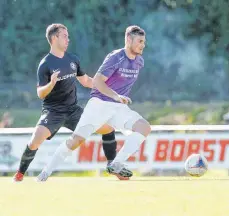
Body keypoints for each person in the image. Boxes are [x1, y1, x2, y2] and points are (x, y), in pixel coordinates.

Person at [37, 25, 151, 181]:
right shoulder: (116, 57)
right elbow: (97, 81)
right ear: (129, 39)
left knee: (144, 127)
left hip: (118, 107)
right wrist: (116, 96)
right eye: (139, 41)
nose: (142, 45)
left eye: (144, 42)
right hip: (99, 104)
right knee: (76, 141)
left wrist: (119, 99)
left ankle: (117, 164)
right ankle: (45, 173)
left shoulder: (139, 61)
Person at [13, 23, 124, 181]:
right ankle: (19, 174)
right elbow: (40, 93)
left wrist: (109, 91)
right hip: (53, 112)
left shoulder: (73, 59)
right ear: (54, 38)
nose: (68, 39)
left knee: (108, 129)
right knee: (34, 142)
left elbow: (85, 81)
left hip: (73, 111)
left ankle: (112, 166)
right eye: (64, 36)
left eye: (68, 36)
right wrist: (51, 84)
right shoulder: (45, 64)